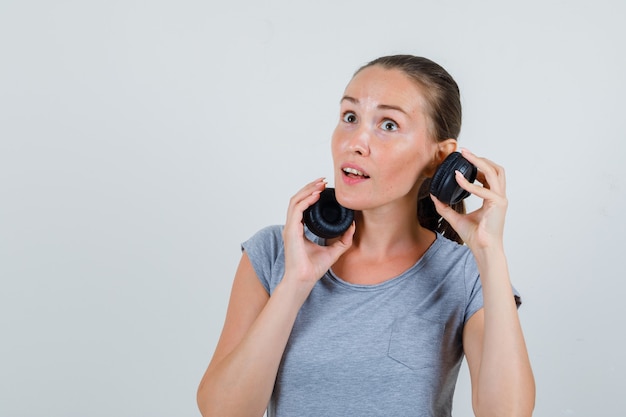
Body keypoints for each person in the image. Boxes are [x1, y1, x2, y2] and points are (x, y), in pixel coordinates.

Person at [197, 55, 535, 417]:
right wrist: (295, 283)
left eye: (388, 125)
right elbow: (222, 411)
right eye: (350, 117)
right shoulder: (272, 253)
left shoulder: (465, 275)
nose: (355, 142)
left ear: (440, 159)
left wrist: (490, 253)